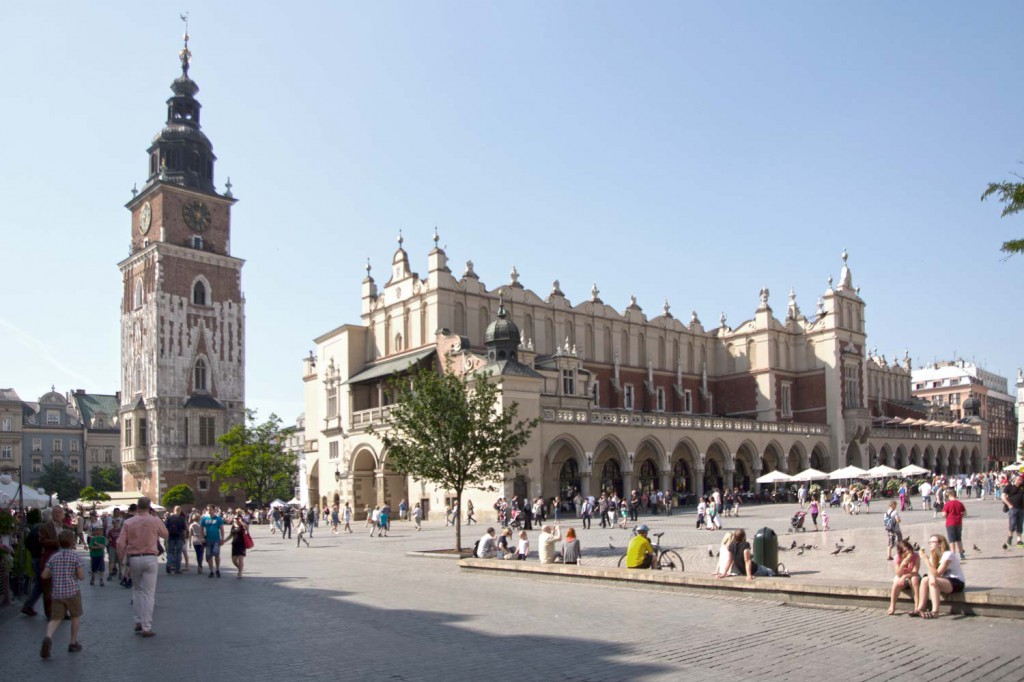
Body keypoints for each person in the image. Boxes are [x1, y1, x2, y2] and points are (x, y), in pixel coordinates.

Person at [116, 497, 169, 637]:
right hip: (150, 557)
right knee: (149, 593)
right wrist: (157, 519)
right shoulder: (154, 520)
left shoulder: (128, 522)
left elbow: (120, 544)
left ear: (138, 507)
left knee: (137, 590)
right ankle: (146, 626)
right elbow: (166, 534)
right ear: (149, 506)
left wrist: (121, 561)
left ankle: (138, 620)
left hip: (134, 558)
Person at [39, 530, 85, 658]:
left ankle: (48, 637)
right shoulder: (75, 557)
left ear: (59, 542)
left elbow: (44, 575)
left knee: (55, 619)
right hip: (72, 592)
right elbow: (81, 576)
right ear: (72, 543)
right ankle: (73, 642)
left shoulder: (54, 557)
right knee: (75, 616)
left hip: (57, 593)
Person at [913, 535, 965, 618]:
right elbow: (932, 574)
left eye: (933, 542)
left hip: (956, 581)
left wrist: (926, 559)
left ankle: (935, 611)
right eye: (929, 542)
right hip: (943, 581)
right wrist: (929, 559)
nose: (930, 544)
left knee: (933, 580)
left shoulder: (948, 554)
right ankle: (920, 609)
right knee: (925, 579)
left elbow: (937, 574)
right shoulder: (934, 556)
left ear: (940, 544)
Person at [38, 505, 66, 620]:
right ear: (52, 514)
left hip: (64, 561)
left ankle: (63, 612)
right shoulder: (45, 527)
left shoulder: (66, 526)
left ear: (63, 515)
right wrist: (58, 542)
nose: (58, 514)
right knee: (48, 589)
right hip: (50, 560)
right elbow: (42, 541)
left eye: (60, 513)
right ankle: (50, 614)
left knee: (64, 588)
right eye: (56, 513)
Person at [888, 539, 920, 615]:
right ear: (901, 552)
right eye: (905, 551)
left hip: (912, 575)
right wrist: (902, 565)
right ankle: (892, 606)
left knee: (915, 579)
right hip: (901, 576)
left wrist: (905, 576)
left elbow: (915, 571)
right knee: (896, 582)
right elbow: (898, 574)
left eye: (909, 549)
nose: (908, 552)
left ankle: (917, 606)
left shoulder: (916, 556)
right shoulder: (897, 557)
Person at [941, 489, 967, 561]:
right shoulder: (960, 503)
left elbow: (944, 514)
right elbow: (965, 513)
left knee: (951, 540)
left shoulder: (948, 504)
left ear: (949, 495)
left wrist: (945, 515)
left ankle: (953, 555)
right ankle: (961, 554)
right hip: (959, 523)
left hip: (950, 523)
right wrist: (959, 515)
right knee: (958, 539)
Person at [200, 505, 225, 578]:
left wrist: (222, 538)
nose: (209, 511)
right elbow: (201, 529)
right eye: (208, 509)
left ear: (214, 510)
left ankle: (217, 569)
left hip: (216, 539)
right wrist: (202, 538)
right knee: (209, 556)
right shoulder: (204, 519)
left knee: (216, 555)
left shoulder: (218, 519)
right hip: (208, 539)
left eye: (210, 509)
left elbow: (222, 529)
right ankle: (211, 571)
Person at [1001, 473, 1024, 550]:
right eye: (1018, 480)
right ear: (1015, 480)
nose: (1020, 481)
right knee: (1012, 523)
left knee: (1020, 524)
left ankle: (1019, 540)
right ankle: (1010, 537)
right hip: (1013, 509)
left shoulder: (1022, 487)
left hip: (1021, 509)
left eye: (1021, 480)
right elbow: (1003, 496)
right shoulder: (1009, 487)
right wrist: (1009, 505)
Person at [164, 506, 187, 575]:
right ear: (180, 511)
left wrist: (166, 537)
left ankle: (169, 564)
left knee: (170, 552)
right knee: (178, 553)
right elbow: (184, 530)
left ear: (174, 510)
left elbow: (166, 528)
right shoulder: (182, 518)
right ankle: (177, 569)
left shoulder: (169, 518)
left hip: (171, 537)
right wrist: (184, 538)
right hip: (179, 537)